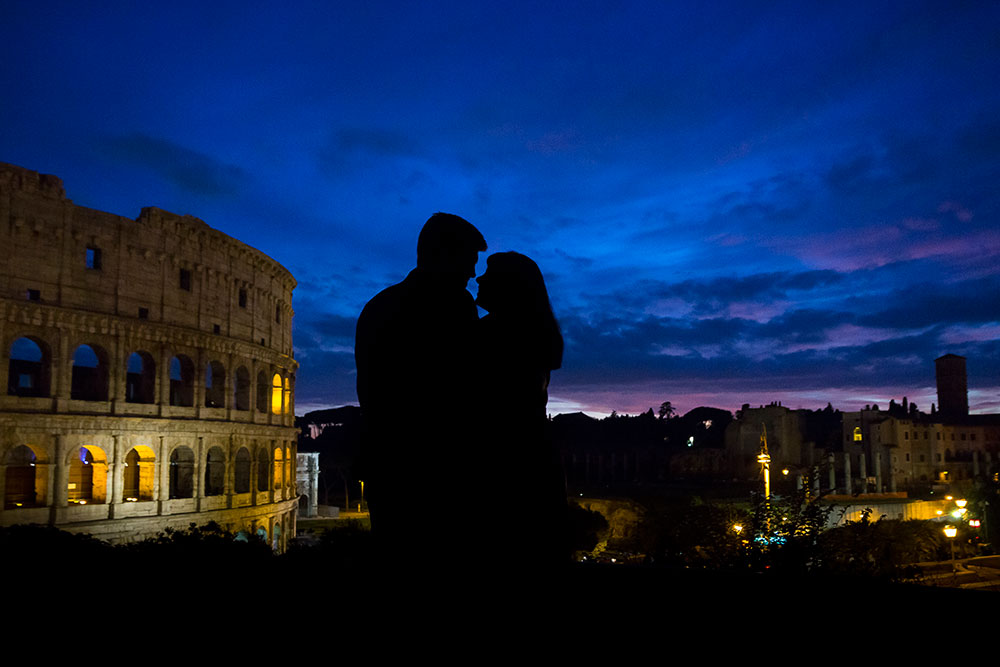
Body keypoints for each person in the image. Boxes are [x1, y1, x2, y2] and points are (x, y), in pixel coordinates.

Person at [355, 212, 487, 570]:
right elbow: (467, 387)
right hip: (439, 469)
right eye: (468, 262)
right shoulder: (454, 306)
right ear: (443, 255)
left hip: (390, 466)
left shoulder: (378, 306)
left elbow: (371, 392)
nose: (473, 274)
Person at [474, 251, 570, 570]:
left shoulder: (492, 335)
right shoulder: (531, 335)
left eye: (489, 274)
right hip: (533, 464)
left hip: (506, 469)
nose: (479, 278)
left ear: (509, 286)